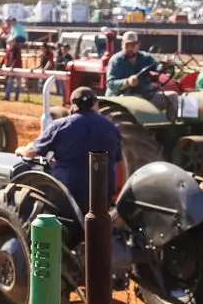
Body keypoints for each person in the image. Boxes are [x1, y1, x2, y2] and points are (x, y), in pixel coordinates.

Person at [14, 86, 121, 214]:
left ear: (73, 105)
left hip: (68, 193)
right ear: (95, 104)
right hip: (103, 193)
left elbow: (31, 153)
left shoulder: (59, 125)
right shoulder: (111, 128)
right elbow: (118, 158)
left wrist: (21, 150)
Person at [105, 31, 164, 109]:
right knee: (137, 99)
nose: (129, 48)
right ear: (122, 44)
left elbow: (157, 66)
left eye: (132, 45)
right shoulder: (116, 60)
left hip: (145, 94)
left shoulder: (145, 57)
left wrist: (164, 66)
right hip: (121, 97)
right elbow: (110, 84)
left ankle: (170, 120)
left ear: (138, 45)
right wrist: (127, 82)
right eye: (127, 45)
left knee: (172, 97)